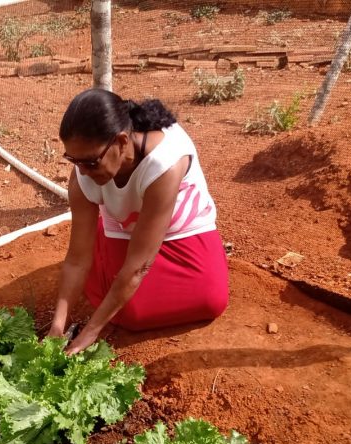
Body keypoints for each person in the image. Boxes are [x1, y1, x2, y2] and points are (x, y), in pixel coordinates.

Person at [48, 88, 229, 353]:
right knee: (132, 313)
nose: (82, 171)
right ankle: (104, 248)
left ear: (121, 142)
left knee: (210, 301)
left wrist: (90, 332)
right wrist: (57, 325)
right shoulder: (83, 173)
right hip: (127, 228)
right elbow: (77, 259)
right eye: (74, 160)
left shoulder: (164, 163)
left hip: (180, 230)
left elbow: (138, 267)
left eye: (90, 162)